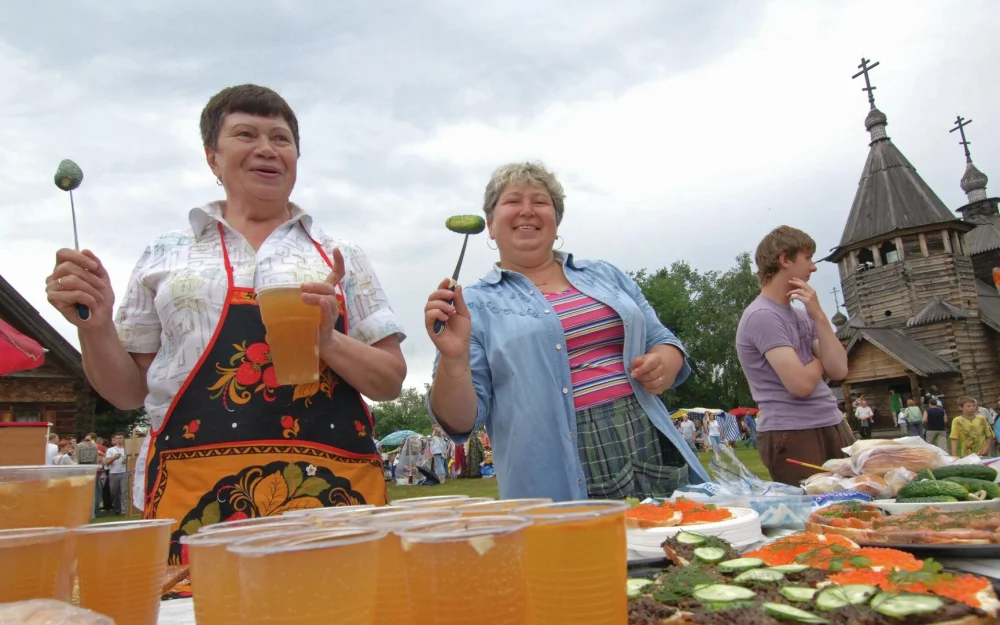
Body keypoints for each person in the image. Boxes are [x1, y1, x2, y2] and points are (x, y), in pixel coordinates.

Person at [45, 85, 406, 560]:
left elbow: (390, 380)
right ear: (212, 158)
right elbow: (128, 392)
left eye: (281, 138)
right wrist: (94, 328)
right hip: (198, 501)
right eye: (245, 134)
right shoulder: (165, 254)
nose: (266, 148)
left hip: (332, 498)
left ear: (297, 157)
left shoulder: (340, 255)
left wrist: (328, 342)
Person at [424, 161, 707, 501]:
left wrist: (665, 361)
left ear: (556, 222)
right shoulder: (472, 305)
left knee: (678, 546)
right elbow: (459, 422)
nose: (527, 210)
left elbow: (662, 339)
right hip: (553, 473)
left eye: (540, 202)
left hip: (649, 443)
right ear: (490, 226)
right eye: (513, 201)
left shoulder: (605, 274)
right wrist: (454, 361)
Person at [735, 226, 852, 487]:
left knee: (856, 507)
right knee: (815, 518)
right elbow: (800, 385)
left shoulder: (802, 315)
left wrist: (819, 316)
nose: (813, 267)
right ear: (785, 260)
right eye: (807, 258)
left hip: (831, 422)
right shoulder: (763, 316)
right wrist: (819, 362)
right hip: (793, 433)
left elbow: (840, 370)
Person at [103, 433, 128, 516]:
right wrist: (114, 458)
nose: (118, 440)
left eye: (120, 438)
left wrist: (127, 461)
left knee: (124, 491)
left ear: (124, 439)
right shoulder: (110, 450)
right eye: (117, 438)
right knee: (114, 492)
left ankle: (125, 510)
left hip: (125, 472)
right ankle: (118, 509)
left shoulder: (127, 449)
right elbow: (107, 463)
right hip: (113, 473)